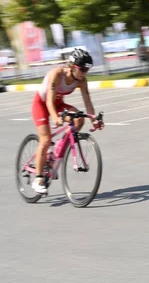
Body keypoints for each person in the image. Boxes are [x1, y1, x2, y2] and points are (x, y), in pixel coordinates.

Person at [30, 48, 103, 194]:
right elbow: (49, 102)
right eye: (82, 69)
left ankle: (58, 148)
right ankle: (38, 179)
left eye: (87, 70)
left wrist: (93, 119)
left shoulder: (82, 81)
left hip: (59, 105)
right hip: (42, 104)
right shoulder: (57, 74)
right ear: (72, 66)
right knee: (45, 140)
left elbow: (88, 102)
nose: (84, 73)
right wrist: (56, 118)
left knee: (79, 119)